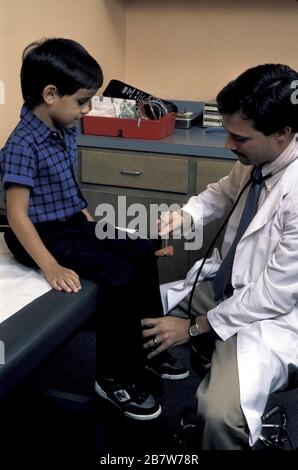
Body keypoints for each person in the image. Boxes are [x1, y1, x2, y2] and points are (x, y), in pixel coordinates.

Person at [0, 38, 188, 422]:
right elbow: (18, 216)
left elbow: (68, 186)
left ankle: (149, 345)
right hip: (41, 236)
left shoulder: (65, 127)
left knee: (143, 247)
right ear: (50, 94)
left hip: (71, 224)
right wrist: (51, 267)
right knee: (119, 275)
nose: (87, 109)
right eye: (83, 101)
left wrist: (88, 220)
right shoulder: (21, 144)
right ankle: (113, 376)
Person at [142, 63, 298, 449]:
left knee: (218, 413)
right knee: (137, 307)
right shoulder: (259, 161)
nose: (228, 144)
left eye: (238, 137)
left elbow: (273, 296)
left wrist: (193, 327)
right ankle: (138, 393)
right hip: (224, 288)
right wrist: (186, 214)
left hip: (270, 318)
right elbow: (223, 192)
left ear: (283, 134)